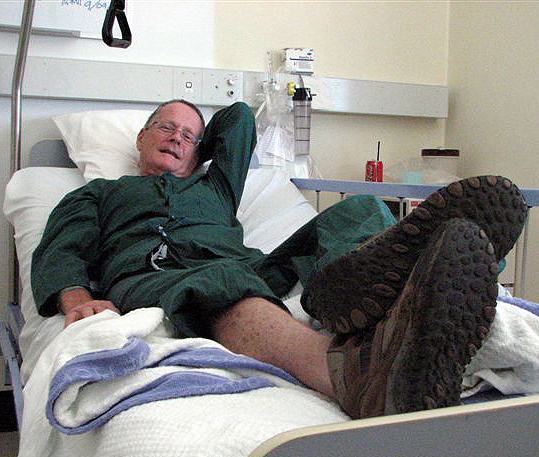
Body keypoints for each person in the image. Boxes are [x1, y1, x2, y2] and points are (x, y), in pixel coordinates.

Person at [31, 100, 528, 419]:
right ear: (140, 138)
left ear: (201, 152)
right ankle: (354, 377)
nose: (177, 137)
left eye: (188, 135)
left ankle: (350, 290)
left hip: (246, 267)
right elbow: (62, 244)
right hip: (151, 273)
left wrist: (198, 148)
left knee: (358, 210)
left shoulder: (215, 187)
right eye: (165, 127)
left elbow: (238, 118)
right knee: (222, 278)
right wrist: (74, 296)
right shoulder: (100, 193)